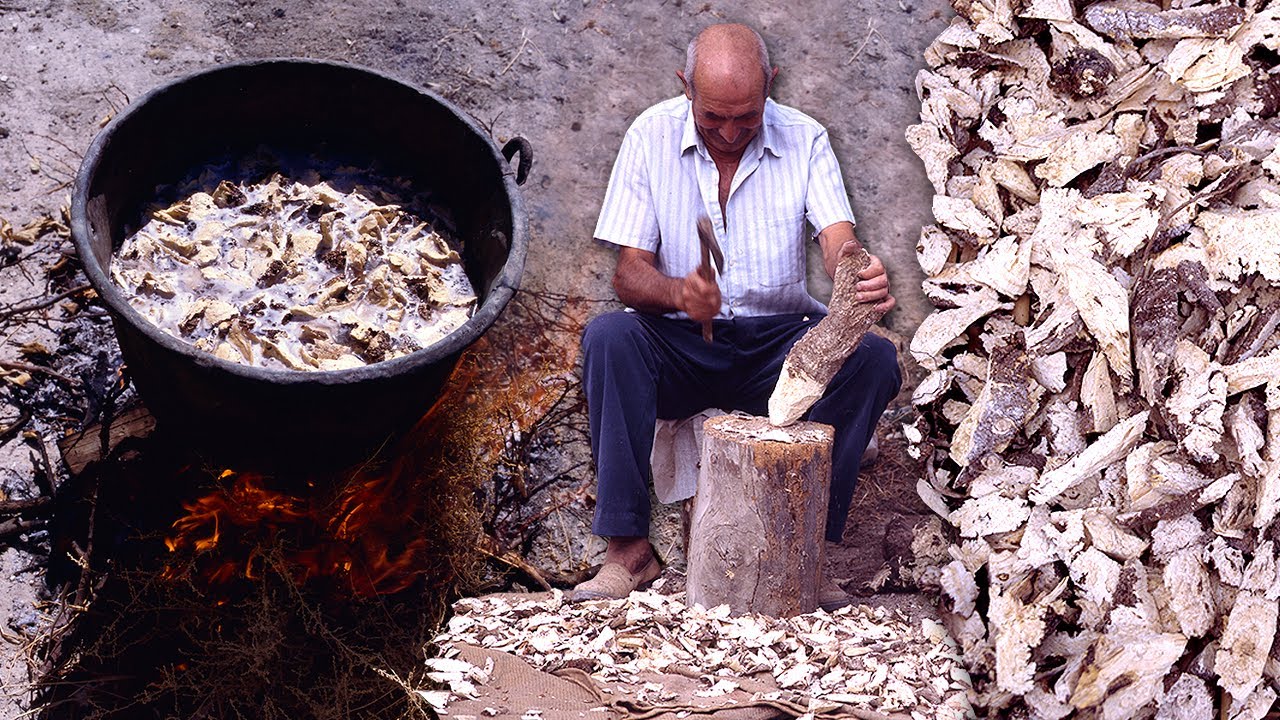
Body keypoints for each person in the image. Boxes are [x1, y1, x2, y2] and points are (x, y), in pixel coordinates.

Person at [571, 23, 901, 610]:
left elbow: (837, 240)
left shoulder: (806, 138)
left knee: (873, 357)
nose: (729, 134)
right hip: (679, 341)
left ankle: (809, 550)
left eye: (746, 118)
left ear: (771, 86)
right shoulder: (649, 135)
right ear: (685, 88)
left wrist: (858, 270)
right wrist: (678, 293)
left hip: (775, 348)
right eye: (713, 118)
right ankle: (628, 549)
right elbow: (628, 273)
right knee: (609, 337)